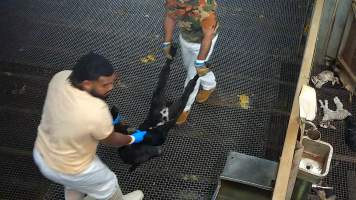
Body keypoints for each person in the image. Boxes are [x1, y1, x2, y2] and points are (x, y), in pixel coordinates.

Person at [33, 52, 145, 200]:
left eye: (113, 81)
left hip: (43, 153)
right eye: (105, 85)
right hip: (74, 167)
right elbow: (111, 139)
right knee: (108, 185)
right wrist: (132, 138)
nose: (111, 87)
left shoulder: (60, 77)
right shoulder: (96, 109)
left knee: (73, 184)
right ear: (86, 84)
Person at [163, 0, 219, 124]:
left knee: (192, 76)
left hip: (202, 43)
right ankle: (210, 85)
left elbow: (207, 37)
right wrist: (167, 42)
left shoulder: (207, 10)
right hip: (185, 38)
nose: (179, 11)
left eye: (183, 7)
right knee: (189, 67)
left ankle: (184, 108)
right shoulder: (173, 2)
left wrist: (200, 61)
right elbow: (170, 16)